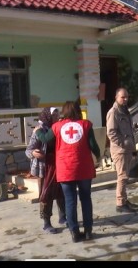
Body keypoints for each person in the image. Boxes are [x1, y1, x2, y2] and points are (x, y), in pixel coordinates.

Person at [35, 101, 101, 243]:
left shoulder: (57, 126)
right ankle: (88, 232)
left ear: (64, 112)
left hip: (66, 169)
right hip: (84, 168)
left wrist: (38, 131)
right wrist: (99, 155)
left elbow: (45, 139)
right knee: (86, 199)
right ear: (78, 111)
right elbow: (93, 145)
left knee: (70, 201)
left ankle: (74, 233)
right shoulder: (86, 124)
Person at [26, 107, 66, 234]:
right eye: (54, 115)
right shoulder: (39, 130)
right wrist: (33, 152)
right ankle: (46, 223)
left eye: (58, 115)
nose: (57, 118)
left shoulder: (59, 128)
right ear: (48, 116)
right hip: (45, 168)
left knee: (61, 192)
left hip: (58, 165)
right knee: (45, 194)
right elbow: (28, 150)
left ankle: (63, 217)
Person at [106, 87, 138, 213]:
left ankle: (124, 200)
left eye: (126, 97)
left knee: (125, 176)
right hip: (120, 150)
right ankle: (120, 203)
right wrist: (124, 143)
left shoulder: (125, 111)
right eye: (122, 97)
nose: (125, 99)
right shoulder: (113, 112)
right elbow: (111, 133)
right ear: (116, 98)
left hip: (127, 149)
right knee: (122, 176)